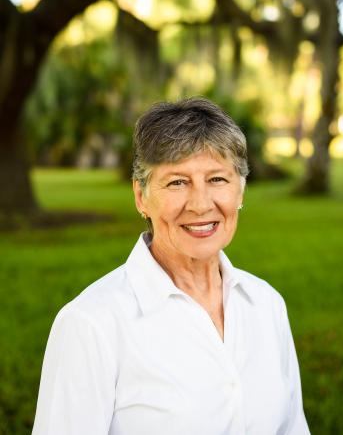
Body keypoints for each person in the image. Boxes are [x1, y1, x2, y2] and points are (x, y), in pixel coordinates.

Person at [32, 97, 310, 435]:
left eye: (218, 179)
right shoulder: (91, 324)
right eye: (177, 182)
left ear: (240, 191)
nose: (200, 203)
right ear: (141, 197)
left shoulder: (266, 304)